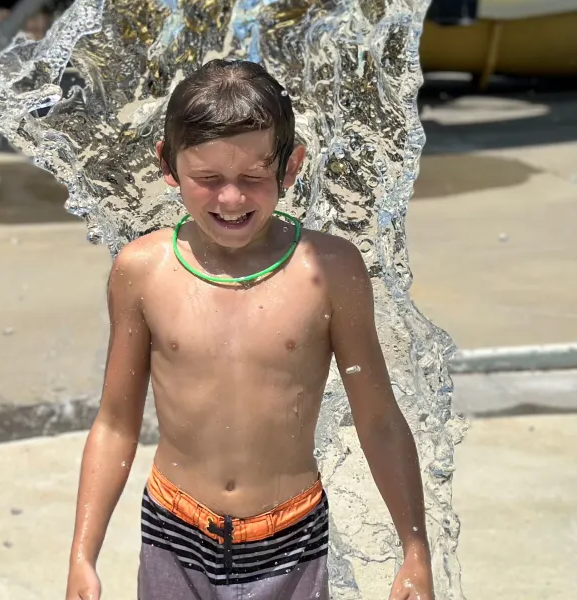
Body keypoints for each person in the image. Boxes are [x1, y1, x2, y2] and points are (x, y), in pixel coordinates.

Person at [63, 58, 435, 600]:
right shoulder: (142, 270)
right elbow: (116, 424)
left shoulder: (329, 270)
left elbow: (377, 418)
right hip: (174, 532)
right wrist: (83, 554)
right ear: (168, 165)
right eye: (208, 179)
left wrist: (415, 550)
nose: (231, 199)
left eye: (253, 179)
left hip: (292, 539)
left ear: (291, 167)